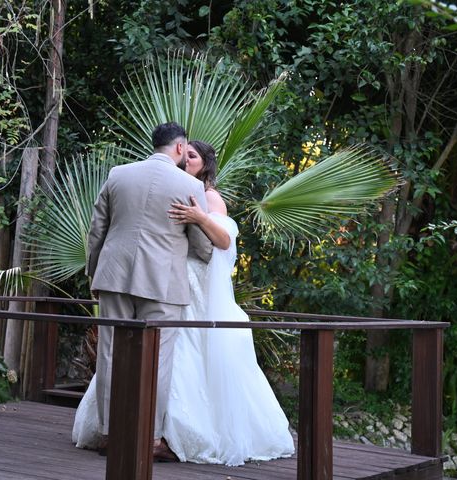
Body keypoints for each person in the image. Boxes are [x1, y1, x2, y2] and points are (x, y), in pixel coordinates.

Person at [77, 122, 214, 459]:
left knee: (109, 355)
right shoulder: (189, 185)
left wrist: (95, 274)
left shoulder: (118, 174)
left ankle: (111, 434)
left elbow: (97, 231)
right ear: (181, 148)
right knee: (158, 359)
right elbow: (204, 247)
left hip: (114, 276)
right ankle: (148, 439)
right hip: (163, 281)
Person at [162, 140, 295, 466]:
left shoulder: (209, 196)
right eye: (184, 154)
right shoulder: (177, 186)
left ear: (205, 164)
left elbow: (223, 243)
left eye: (192, 156)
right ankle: (161, 430)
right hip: (175, 278)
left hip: (199, 283)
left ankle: (189, 433)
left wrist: (198, 216)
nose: (186, 159)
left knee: (190, 347)